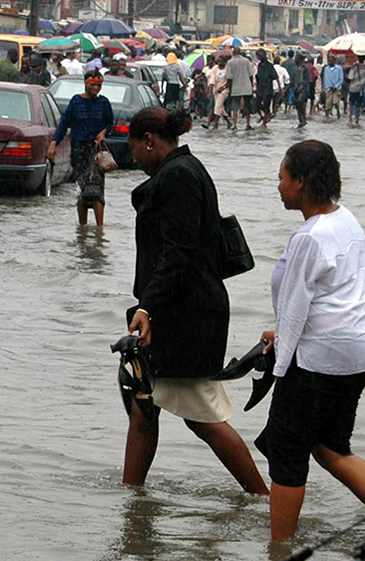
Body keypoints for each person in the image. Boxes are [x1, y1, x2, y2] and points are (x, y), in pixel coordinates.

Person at [122, 106, 269, 495]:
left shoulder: (178, 177)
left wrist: (147, 307)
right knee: (144, 405)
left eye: (135, 147)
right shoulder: (184, 169)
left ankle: (263, 500)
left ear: (150, 141)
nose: (133, 156)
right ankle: (131, 501)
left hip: (183, 314)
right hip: (180, 307)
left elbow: (178, 251)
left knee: (203, 416)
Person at [256, 140, 365, 541]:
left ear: (300, 183)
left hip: (316, 361)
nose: (278, 185)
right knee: (331, 446)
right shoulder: (346, 220)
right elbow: (337, 293)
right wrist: (279, 330)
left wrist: (281, 365)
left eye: (282, 178)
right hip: (353, 353)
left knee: (286, 455)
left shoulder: (309, 237)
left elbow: (299, 304)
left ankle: (280, 549)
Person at [47, 70, 113, 227]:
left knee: (96, 190)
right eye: (93, 85)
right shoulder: (75, 102)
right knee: (82, 191)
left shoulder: (104, 103)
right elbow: (64, 124)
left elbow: (109, 124)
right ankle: (82, 228)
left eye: (99, 85)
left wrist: (103, 132)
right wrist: (54, 143)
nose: (96, 88)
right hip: (78, 151)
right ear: (86, 83)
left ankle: (99, 230)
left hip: (96, 152)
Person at [225, 46, 254, 130]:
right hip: (247, 87)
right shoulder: (246, 61)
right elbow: (251, 75)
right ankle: (248, 124)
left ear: (233, 53)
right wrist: (251, 86)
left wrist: (230, 90)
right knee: (247, 107)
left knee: (235, 108)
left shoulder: (230, 62)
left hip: (236, 88)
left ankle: (235, 125)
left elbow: (229, 77)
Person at [254, 49, 278, 129]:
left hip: (268, 88)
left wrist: (280, 89)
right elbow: (257, 77)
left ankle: (264, 122)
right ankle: (264, 115)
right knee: (257, 103)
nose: (258, 57)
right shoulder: (259, 65)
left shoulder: (269, 65)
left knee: (266, 105)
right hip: (260, 88)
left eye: (259, 56)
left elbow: (275, 77)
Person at [322, 55, 344, 120]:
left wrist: (336, 86)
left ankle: (338, 113)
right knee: (327, 104)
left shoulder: (339, 69)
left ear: (334, 61)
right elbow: (325, 79)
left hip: (336, 89)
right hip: (328, 88)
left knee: (336, 103)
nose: (330, 62)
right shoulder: (326, 69)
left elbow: (341, 79)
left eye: (331, 61)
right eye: (329, 61)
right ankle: (327, 117)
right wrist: (323, 89)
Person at [293, 53, 311, 128]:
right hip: (296, 88)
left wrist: (302, 86)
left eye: (296, 58)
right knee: (297, 105)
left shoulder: (305, 68)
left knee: (300, 102)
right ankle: (300, 120)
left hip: (303, 89)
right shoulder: (295, 68)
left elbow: (307, 79)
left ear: (299, 59)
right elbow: (293, 79)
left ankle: (304, 118)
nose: (295, 60)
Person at [349, 54, 365, 125]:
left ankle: (350, 119)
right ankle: (357, 121)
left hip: (353, 87)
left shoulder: (354, 67)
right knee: (358, 105)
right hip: (361, 89)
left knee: (351, 104)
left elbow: (350, 77)